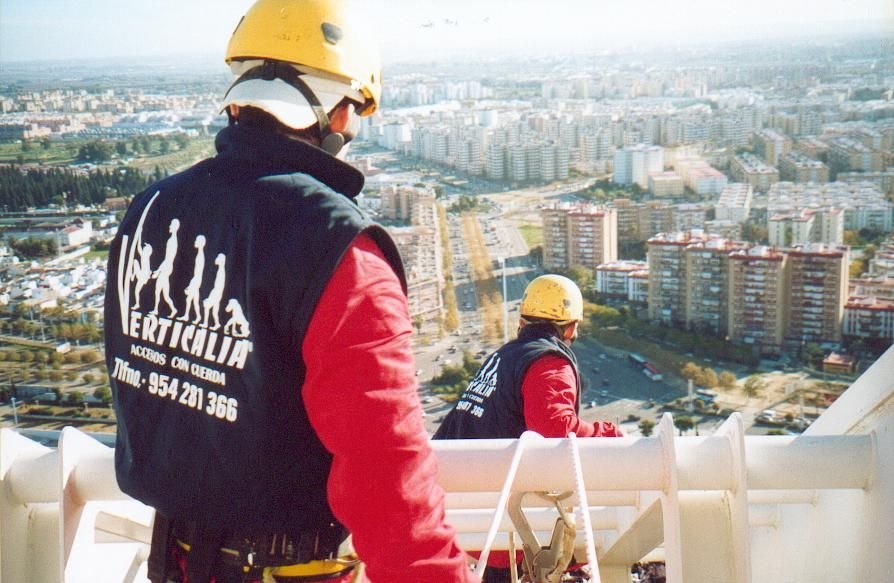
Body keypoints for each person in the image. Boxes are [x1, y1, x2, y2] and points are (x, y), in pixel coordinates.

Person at [104, 1, 477, 582]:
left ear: (240, 96)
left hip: (174, 562)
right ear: (339, 111)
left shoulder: (151, 210)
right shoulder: (337, 248)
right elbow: (387, 472)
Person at [434, 274, 623, 583]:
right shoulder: (547, 362)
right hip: (506, 525)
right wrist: (609, 435)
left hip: (474, 516)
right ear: (572, 327)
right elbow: (556, 429)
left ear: (521, 321)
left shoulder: (501, 358)